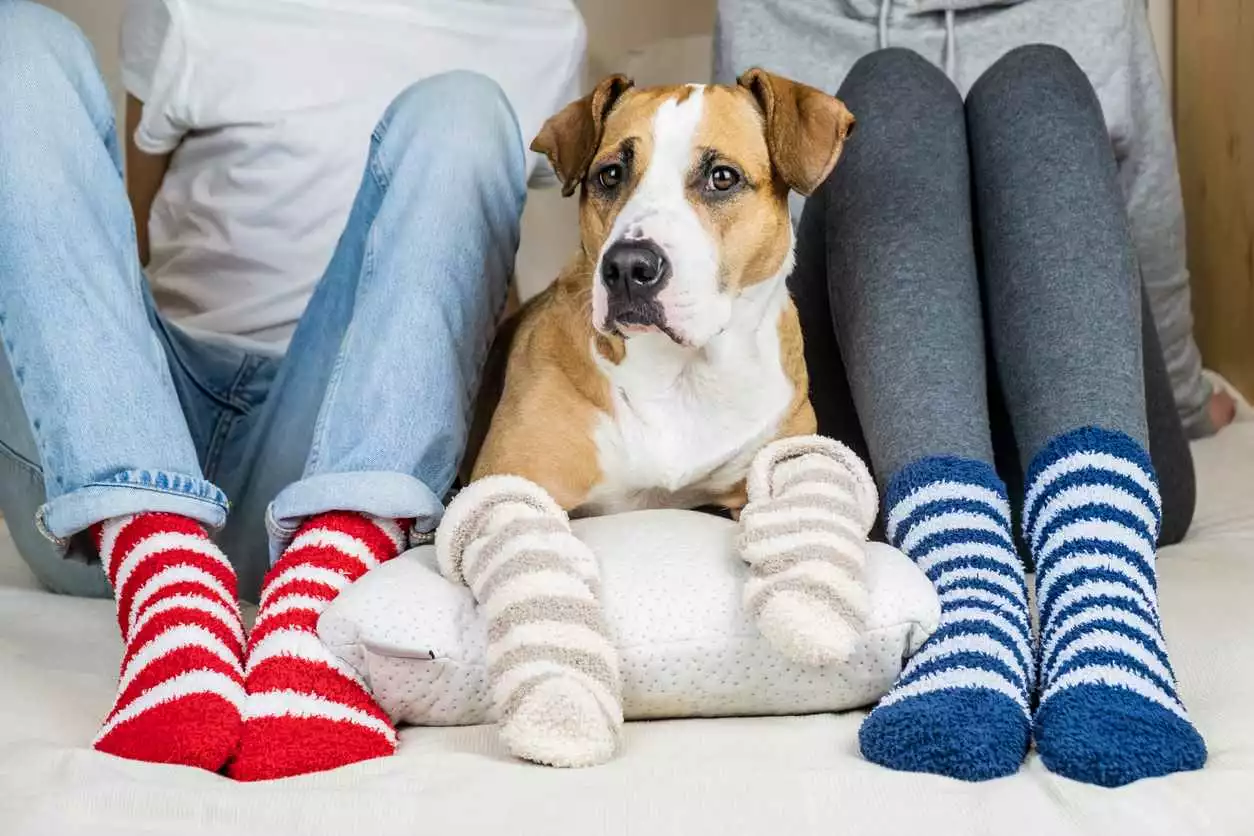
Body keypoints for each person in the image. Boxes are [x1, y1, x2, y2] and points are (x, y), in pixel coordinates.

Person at [0, 0, 583, 781]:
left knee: (465, 108)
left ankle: (324, 581)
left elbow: (472, 274)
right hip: (127, 426)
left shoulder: (540, 26)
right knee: (15, 37)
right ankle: (162, 564)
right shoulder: (184, 10)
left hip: (334, 447)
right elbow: (100, 236)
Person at [714, 3, 1209, 787]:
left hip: (1086, 413)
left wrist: (1181, 394)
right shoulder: (763, 7)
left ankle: (1099, 561)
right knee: (886, 90)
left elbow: (1145, 206)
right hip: (885, 426)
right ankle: (962, 571)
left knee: (1041, 77)